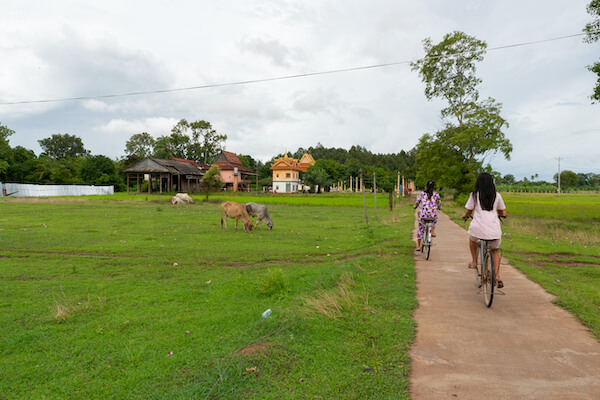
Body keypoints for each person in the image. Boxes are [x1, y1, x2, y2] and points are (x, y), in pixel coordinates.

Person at [462, 172, 507, 288]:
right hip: (493, 230)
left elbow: (469, 210)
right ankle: (497, 276)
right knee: (495, 250)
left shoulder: (474, 195)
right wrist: (503, 214)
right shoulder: (497, 196)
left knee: (472, 240)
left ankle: (474, 262)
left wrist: (466, 216)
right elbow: (502, 211)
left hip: (478, 229)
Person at [413, 180, 442, 251]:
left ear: (426, 186)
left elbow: (417, 202)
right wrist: (439, 207)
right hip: (432, 215)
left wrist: (415, 206)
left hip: (423, 215)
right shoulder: (436, 194)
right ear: (434, 187)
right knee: (435, 219)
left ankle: (419, 246)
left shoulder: (422, 194)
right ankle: (432, 231)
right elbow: (439, 204)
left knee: (420, 229)